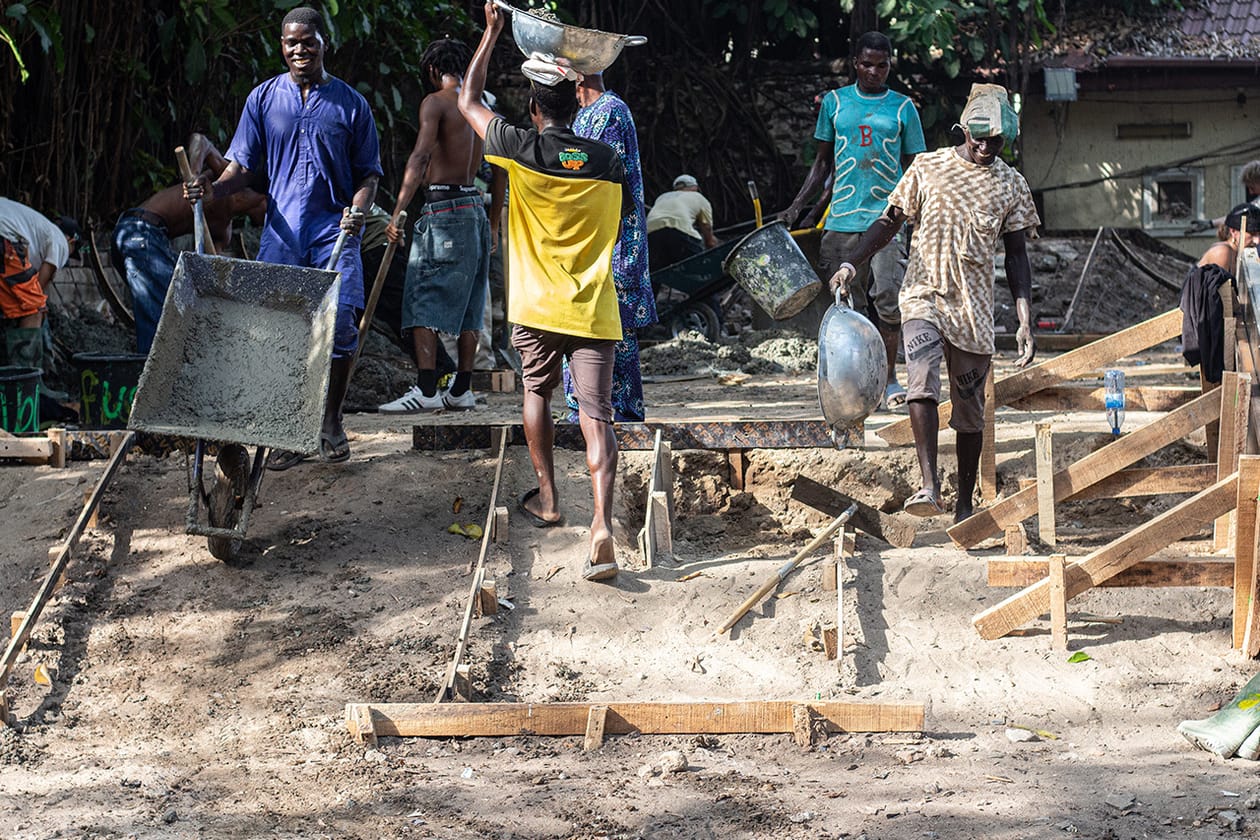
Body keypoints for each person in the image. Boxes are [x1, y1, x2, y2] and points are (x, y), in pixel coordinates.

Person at [458, 2, 629, 582]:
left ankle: (550, 500)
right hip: (593, 306)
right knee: (597, 416)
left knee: (538, 392)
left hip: (535, 305)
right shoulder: (607, 160)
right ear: (576, 101)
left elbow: (468, 101)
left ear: (534, 107)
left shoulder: (515, 147)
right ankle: (601, 524)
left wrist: (491, 33)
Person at [830, 83, 1039, 523]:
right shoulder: (927, 168)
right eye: (977, 137)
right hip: (923, 294)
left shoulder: (1011, 185)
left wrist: (1024, 319)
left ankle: (964, 502)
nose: (984, 147)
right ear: (961, 130)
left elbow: (1017, 256)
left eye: (995, 141)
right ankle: (929, 486)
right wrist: (851, 264)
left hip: (974, 309)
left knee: (970, 410)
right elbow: (888, 223)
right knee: (921, 383)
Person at [184, 6, 382, 468]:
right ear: (282, 46)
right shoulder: (264, 99)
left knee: (342, 329)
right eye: (291, 42)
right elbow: (244, 168)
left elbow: (368, 175)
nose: (299, 49)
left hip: (334, 232)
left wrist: (358, 210)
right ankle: (288, 431)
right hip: (283, 232)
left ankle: (330, 422)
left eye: (307, 41)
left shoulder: (351, 104)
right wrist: (213, 188)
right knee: (278, 331)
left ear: (322, 43)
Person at [782, 31, 926, 411]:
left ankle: (889, 377)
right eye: (867, 64)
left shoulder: (902, 108)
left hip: (888, 220)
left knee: (888, 300)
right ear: (854, 63)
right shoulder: (835, 103)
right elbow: (822, 165)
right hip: (842, 219)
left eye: (882, 65)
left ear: (890, 65)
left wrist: (920, 216)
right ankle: (857, 382)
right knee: (847, 303)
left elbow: (915, 170)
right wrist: (798, 206)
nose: (874, 71)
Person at [377, 38, 504, 415]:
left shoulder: (436, 103)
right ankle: (461, 389)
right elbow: (500, 171)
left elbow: (419, 156)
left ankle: (427, 389)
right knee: (469, 304)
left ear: (433, 71)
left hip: (443, 210)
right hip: (475, 210)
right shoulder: (482, 108)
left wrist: (399, 209)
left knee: (420, 299)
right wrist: (494, 224)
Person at [561, 71, 656, 423]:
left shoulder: (610, 111)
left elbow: (603, 179)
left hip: (612, 243)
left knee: (616, 333)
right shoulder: (587, 115)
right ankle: (586, 411)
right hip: (596, 241)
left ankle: (617, 414)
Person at [113, 134, 266, 354]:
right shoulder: (228, 180)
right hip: (139, 231)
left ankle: (152, 370)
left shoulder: (223, 231)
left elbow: (213, 272)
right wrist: (193, 174)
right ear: (265, 199)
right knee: (168, 312)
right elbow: (200, 140)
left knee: (174, 307)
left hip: (148, 242)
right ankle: (153, 376)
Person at [0, 197, 79, 381]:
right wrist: (39, 311)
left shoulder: (32, 224)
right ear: (72, 240)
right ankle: (26, 385)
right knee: (33, 310)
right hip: (4, 240)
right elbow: (39, 287)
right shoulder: (60, 240)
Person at [1180, 203, 1260, 384]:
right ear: (1234, 232)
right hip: (1198, 312)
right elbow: (1216, 297)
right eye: (1252, 234)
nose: (1256, 240)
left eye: (1258, 234)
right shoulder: (1222, 252)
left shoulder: (1239, 252)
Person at [646, 174, 718, 275]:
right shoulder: (698, 197)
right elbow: (706, 228)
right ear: (695, 187)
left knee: (656, 273)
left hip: (650, 233)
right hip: (679, 230)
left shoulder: (662, 197)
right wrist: (711, 244)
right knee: (699, 270)